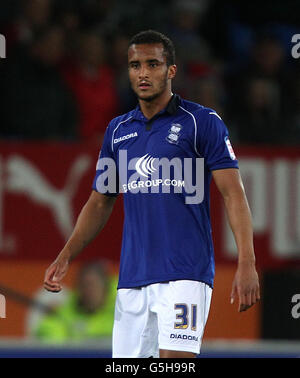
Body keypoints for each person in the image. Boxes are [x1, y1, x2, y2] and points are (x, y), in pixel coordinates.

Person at [44, 30, 260, 358]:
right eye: (134, 65)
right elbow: (101, 200)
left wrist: (247, 262)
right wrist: (66, 254)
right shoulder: (117, 130)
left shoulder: (201, 122)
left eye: (152, 64)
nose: (143, 73)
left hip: (185, 273)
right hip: (133, 278)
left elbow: (233, 194)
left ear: (171, 70)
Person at [34, 261, 117, 343]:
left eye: (93, 285)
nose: (89, 291)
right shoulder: (65, 314)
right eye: (84, 286)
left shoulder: (121, 310)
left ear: (105, 287)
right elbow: (50, 330)